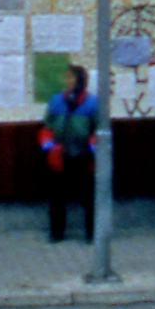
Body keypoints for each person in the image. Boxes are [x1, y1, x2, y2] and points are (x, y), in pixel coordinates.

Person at [41, 62, 102, 243]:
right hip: (60, 154)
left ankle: (92, 233)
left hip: (85, 156)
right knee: (57, 197)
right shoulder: (56, 101)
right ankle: (56, 232)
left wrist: (91, 148)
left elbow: (99, 130)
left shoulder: (93, 103)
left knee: (89, 198)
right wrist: (50, 146)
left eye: (71, 77)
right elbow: (47, 127)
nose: (66, 81)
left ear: (81, 81)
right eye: (66, 77)